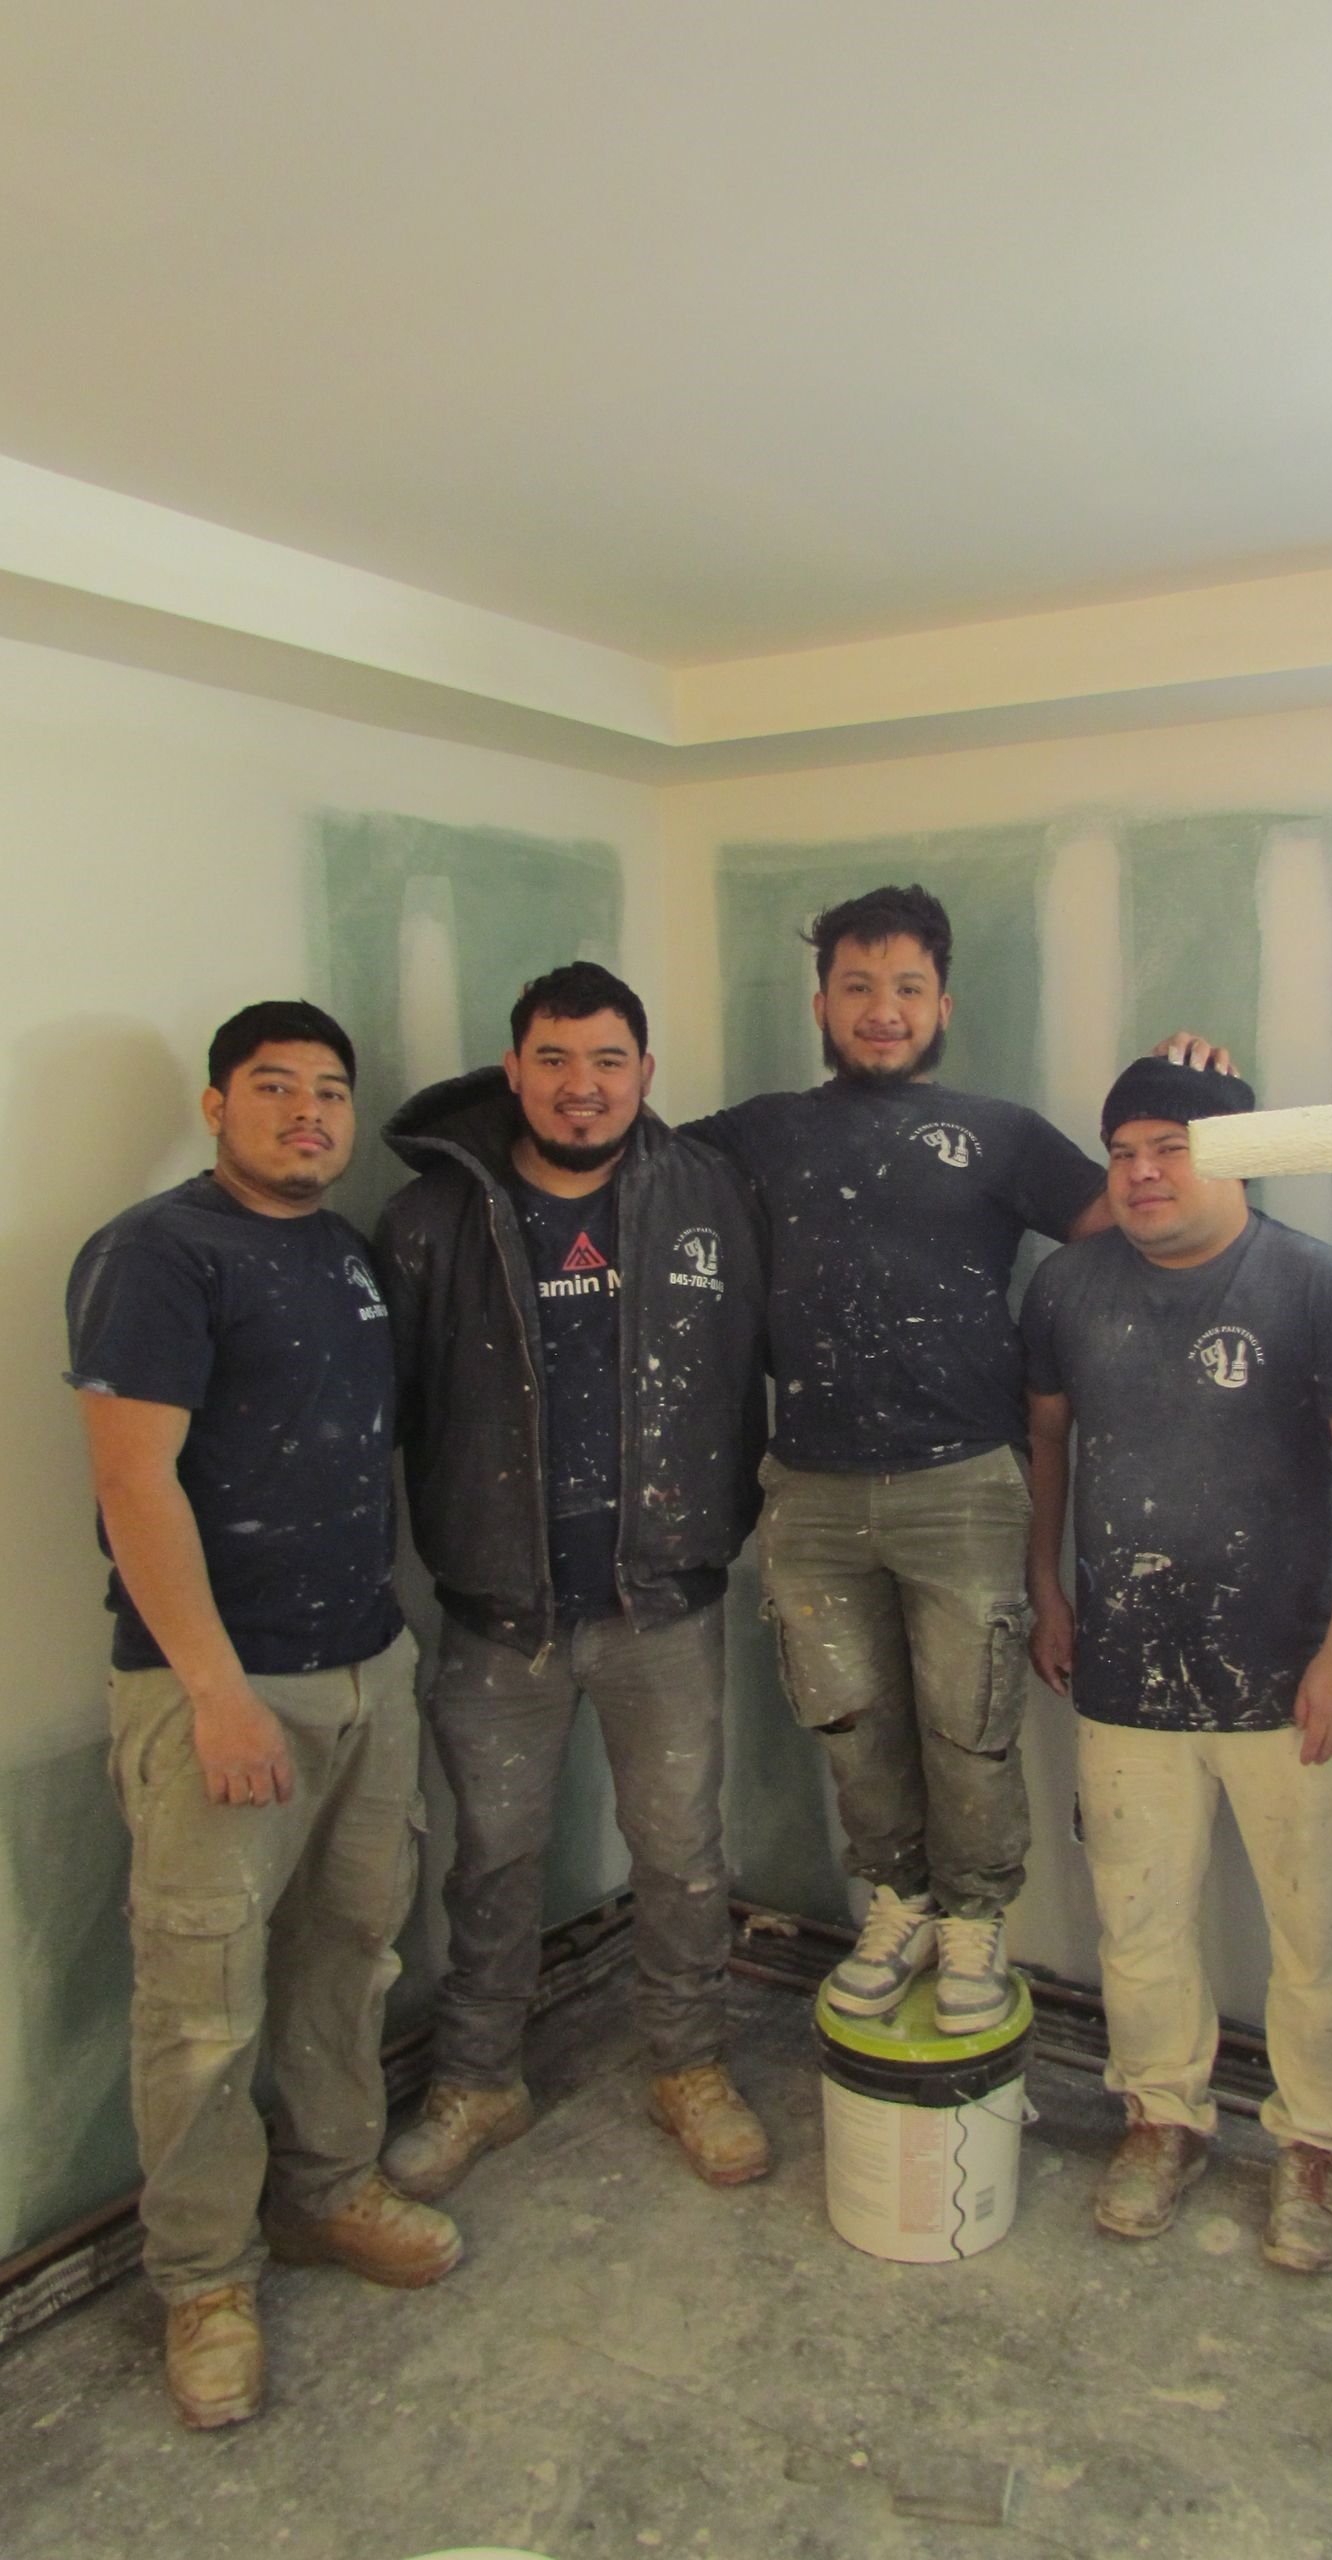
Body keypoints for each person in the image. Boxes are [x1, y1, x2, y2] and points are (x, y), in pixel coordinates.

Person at [66, 1001, 460, 2433]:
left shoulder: (345, 1256)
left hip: (366, 1667)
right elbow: (134, 1487)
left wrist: (377, 1665)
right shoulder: (157, 1257)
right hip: (224, 1696)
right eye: (276, 1088)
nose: (309, 1114)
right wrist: (219, 1694)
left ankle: (326, 2191)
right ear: (218, 1101)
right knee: (203, 2007)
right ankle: (205, 2281)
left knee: (349, 1954)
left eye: (331, 1092)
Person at [373, 962, 771, 2200]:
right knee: (491, 1861)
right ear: (515, 1070)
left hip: (665, 1599)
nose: (582, 1087)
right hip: (501, 1616)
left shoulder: (710, 1192)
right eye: (555, 1059)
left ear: (645, 1075)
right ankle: (480, 2076)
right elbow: (389, 1414)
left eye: (608, 1061)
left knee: (683, 1854)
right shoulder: (432, 1219)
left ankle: (687, 2065)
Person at [680, 885, 1109, 2032]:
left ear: (943, 1003)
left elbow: (1142, 1222)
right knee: (854, 1724)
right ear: (822, 1003)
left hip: (964, 1485)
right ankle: (901, 1902)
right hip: (809, 1490)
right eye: (859, 988)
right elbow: (618, 1160)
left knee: (970, 1729)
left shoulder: (1004, 1134)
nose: (883, 1010)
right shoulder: (761, 1132)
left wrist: (1199, 1104)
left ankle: (976, 1927)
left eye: (907, 988)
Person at [1022, 1055, 1332, 2267]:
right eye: (1123, 1150)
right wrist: (1045, 1585)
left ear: (1234, 1156)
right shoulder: (1068, 1289)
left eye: (1171, 1147)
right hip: (1125, 1669)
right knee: (1137, 1920)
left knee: (1318, 1930)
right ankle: (1163, 2115)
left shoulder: (1320, 1287)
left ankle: (1320, 2144)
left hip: (1290, 1679)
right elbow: (1048, 1448)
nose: (1141, 1171)